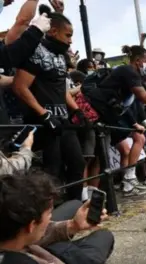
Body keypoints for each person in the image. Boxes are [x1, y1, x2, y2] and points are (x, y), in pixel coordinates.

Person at [12, 5, 87, 201]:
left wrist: (77, 110)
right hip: (43, 123)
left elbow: (60, 87)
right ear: (53, 31)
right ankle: (46, 219)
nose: (70, 40)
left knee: (77, 164)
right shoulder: (36, 51)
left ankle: (74, 210)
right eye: (68, 35)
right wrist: (43, 113)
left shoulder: (61, 56)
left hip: (63, 120)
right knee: (52, 170)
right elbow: (20, 87)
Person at [84, 44, 146, 197]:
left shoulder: (132, 75)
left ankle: (99, 193)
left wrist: (141, 123)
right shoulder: (128, 71)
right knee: (93, 158)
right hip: (97, 114)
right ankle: (87, 197)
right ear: (138, 61)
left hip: (109, 115)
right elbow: (143, 97)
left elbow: (131, 105)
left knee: (101, 157)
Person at [0, 172, 114, 264]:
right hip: (62, 263)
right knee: (104, 236)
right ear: (32, 225)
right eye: (49, 213)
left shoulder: (13, 237)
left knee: (75, 204)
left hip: (39, 250)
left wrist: (72, 225)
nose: (50, 217)